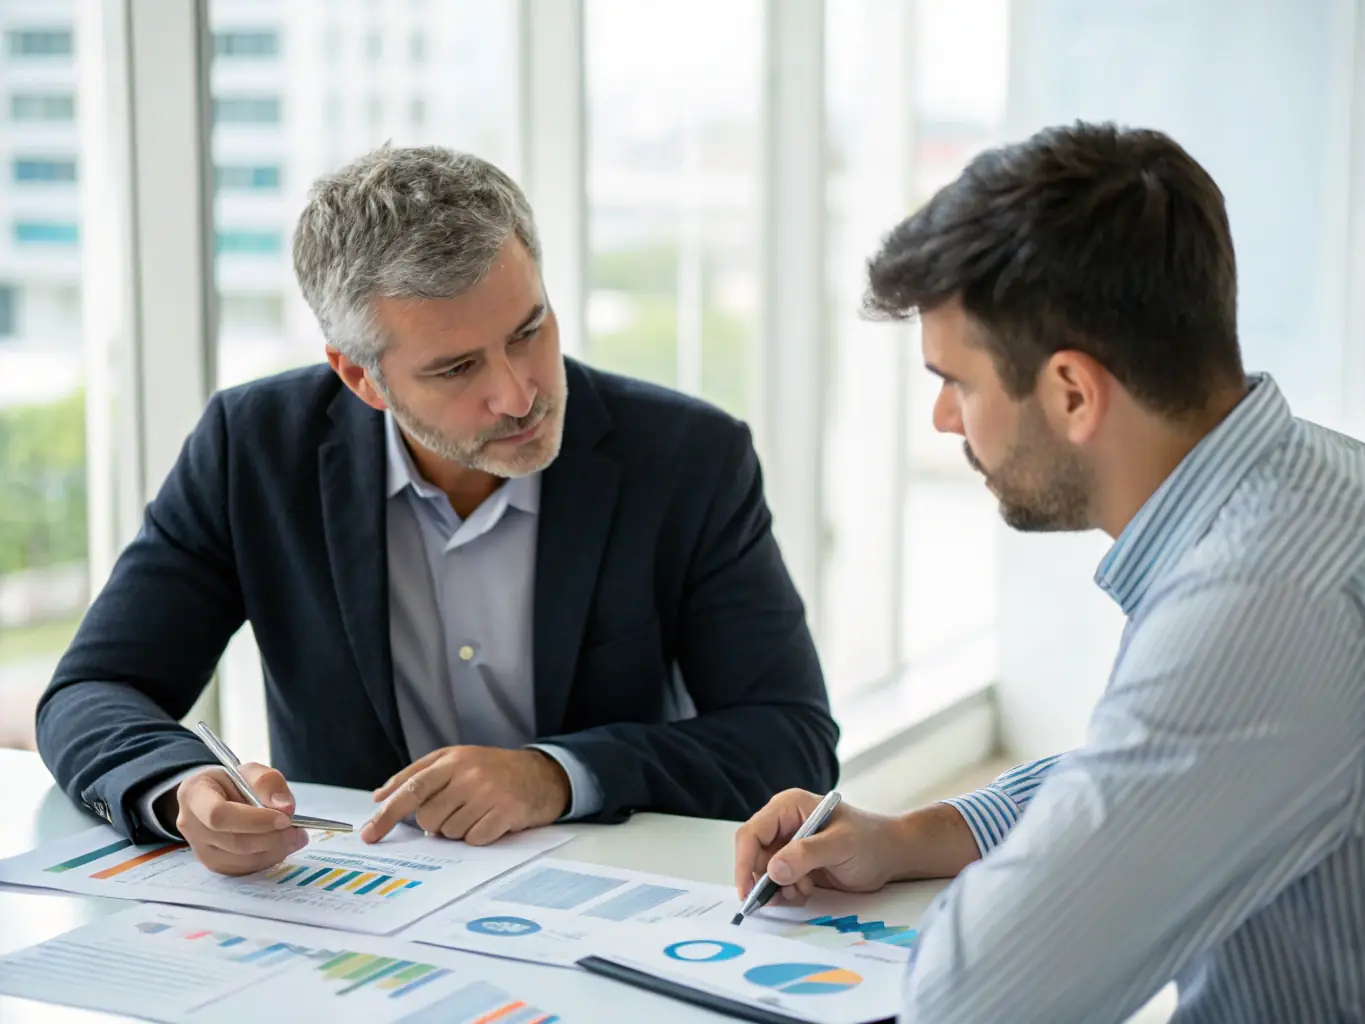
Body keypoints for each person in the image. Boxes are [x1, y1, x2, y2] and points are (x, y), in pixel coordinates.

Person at [37, 144, 838, 877]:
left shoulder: (688, 456)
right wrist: (178, 786)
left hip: (607, 900)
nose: (519, 393)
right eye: (456, 368)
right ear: (361, 378)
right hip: (355, 911)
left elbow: (790, 739)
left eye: (529, 330)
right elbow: (93, 690)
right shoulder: (253, 448)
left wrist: (557, 774)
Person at [735, 122, 1365, 1023]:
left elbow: (980, 998)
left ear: (1071, 392)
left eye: (958, 381)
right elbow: (1162, 761)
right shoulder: (1313, 490)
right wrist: (922, 835)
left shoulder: (1262, 606)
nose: (944, 421)